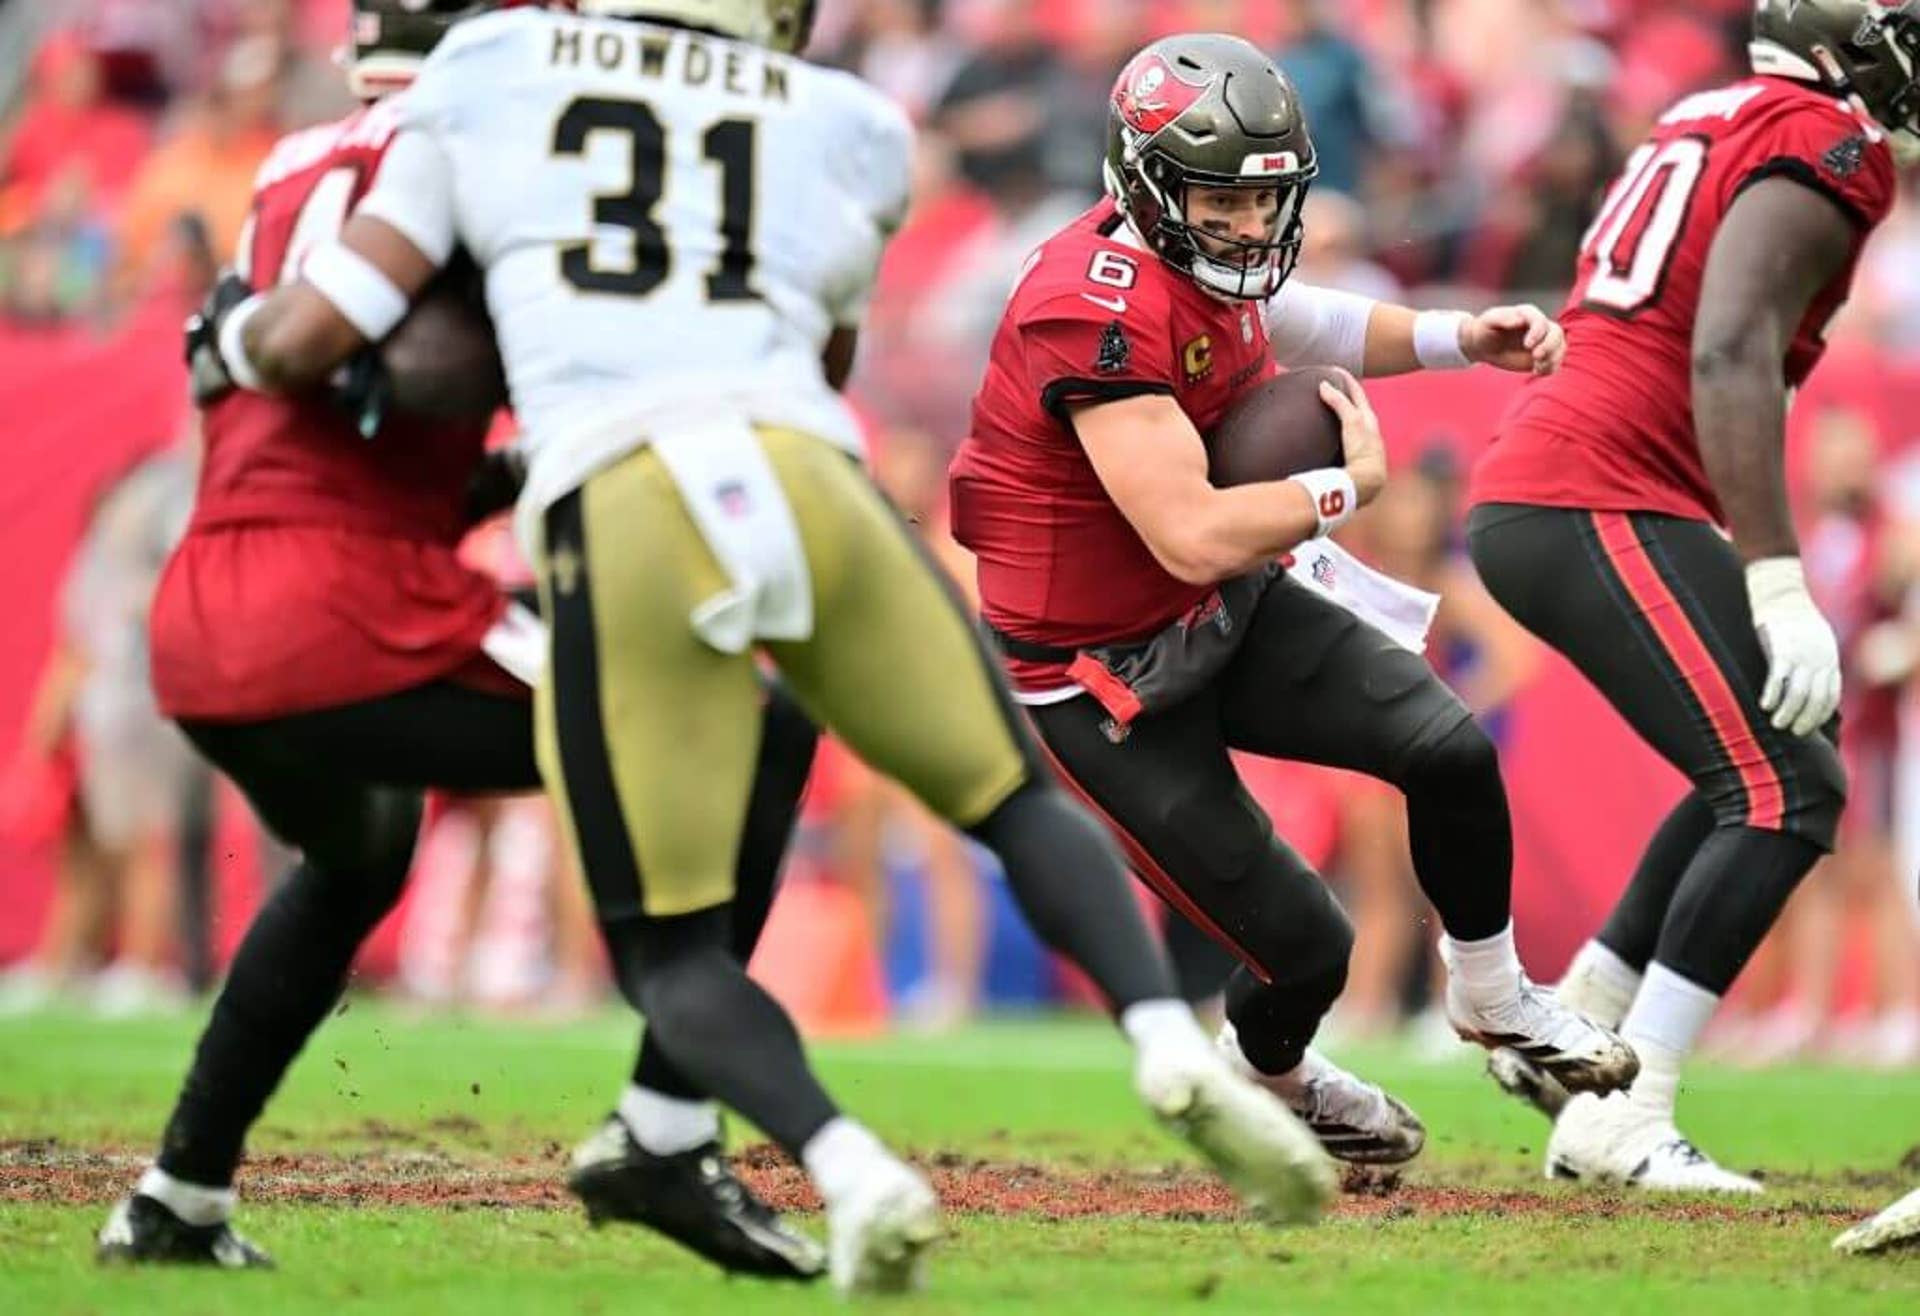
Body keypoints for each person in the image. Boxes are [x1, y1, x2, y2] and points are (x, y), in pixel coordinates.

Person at [181, 0, 1340, 1293]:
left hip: (622, 489)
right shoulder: (846, 118)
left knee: (667, 944)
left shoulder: (494, 68)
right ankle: (1165, 1041)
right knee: (1009, 793)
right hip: (805, 467)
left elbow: (338, 325)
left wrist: (225, 335)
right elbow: (828, 343)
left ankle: (845, 1164)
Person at [96, 1, 826, 1281]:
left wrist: (507, 453)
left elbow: (371, 421)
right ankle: (665, 1122)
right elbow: (405, 362)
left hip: (211, 606)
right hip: (351, 614)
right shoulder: (477, 143)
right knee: (752, 726)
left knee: (361, 847)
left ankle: (177, 1193)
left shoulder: (290, 163)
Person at [950, 32, 1636, 1170]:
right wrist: (1342, 487)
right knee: (1306, 947)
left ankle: (1495, 993)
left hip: (1208, 600)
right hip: (1102, 668)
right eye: (1220, 198)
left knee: (1449, 749)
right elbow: (1188, 526)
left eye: (1266, 199)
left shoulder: (1199, 262)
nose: (1248, 226)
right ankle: (1274, 1074)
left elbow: (1292, 319)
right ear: (1147, 179)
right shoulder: (1089, 306)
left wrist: (1458, 337)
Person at [1466, 0, 1918, 1191]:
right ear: (1842, 43)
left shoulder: (1710, 111)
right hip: (1591, 486)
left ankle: (1580, 1023)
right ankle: (1624, 1106)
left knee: (1764, 766)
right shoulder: (1828, 140)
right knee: (1788, 787)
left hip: (1575, 479)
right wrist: (1776, 576)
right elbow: (1727, 348)